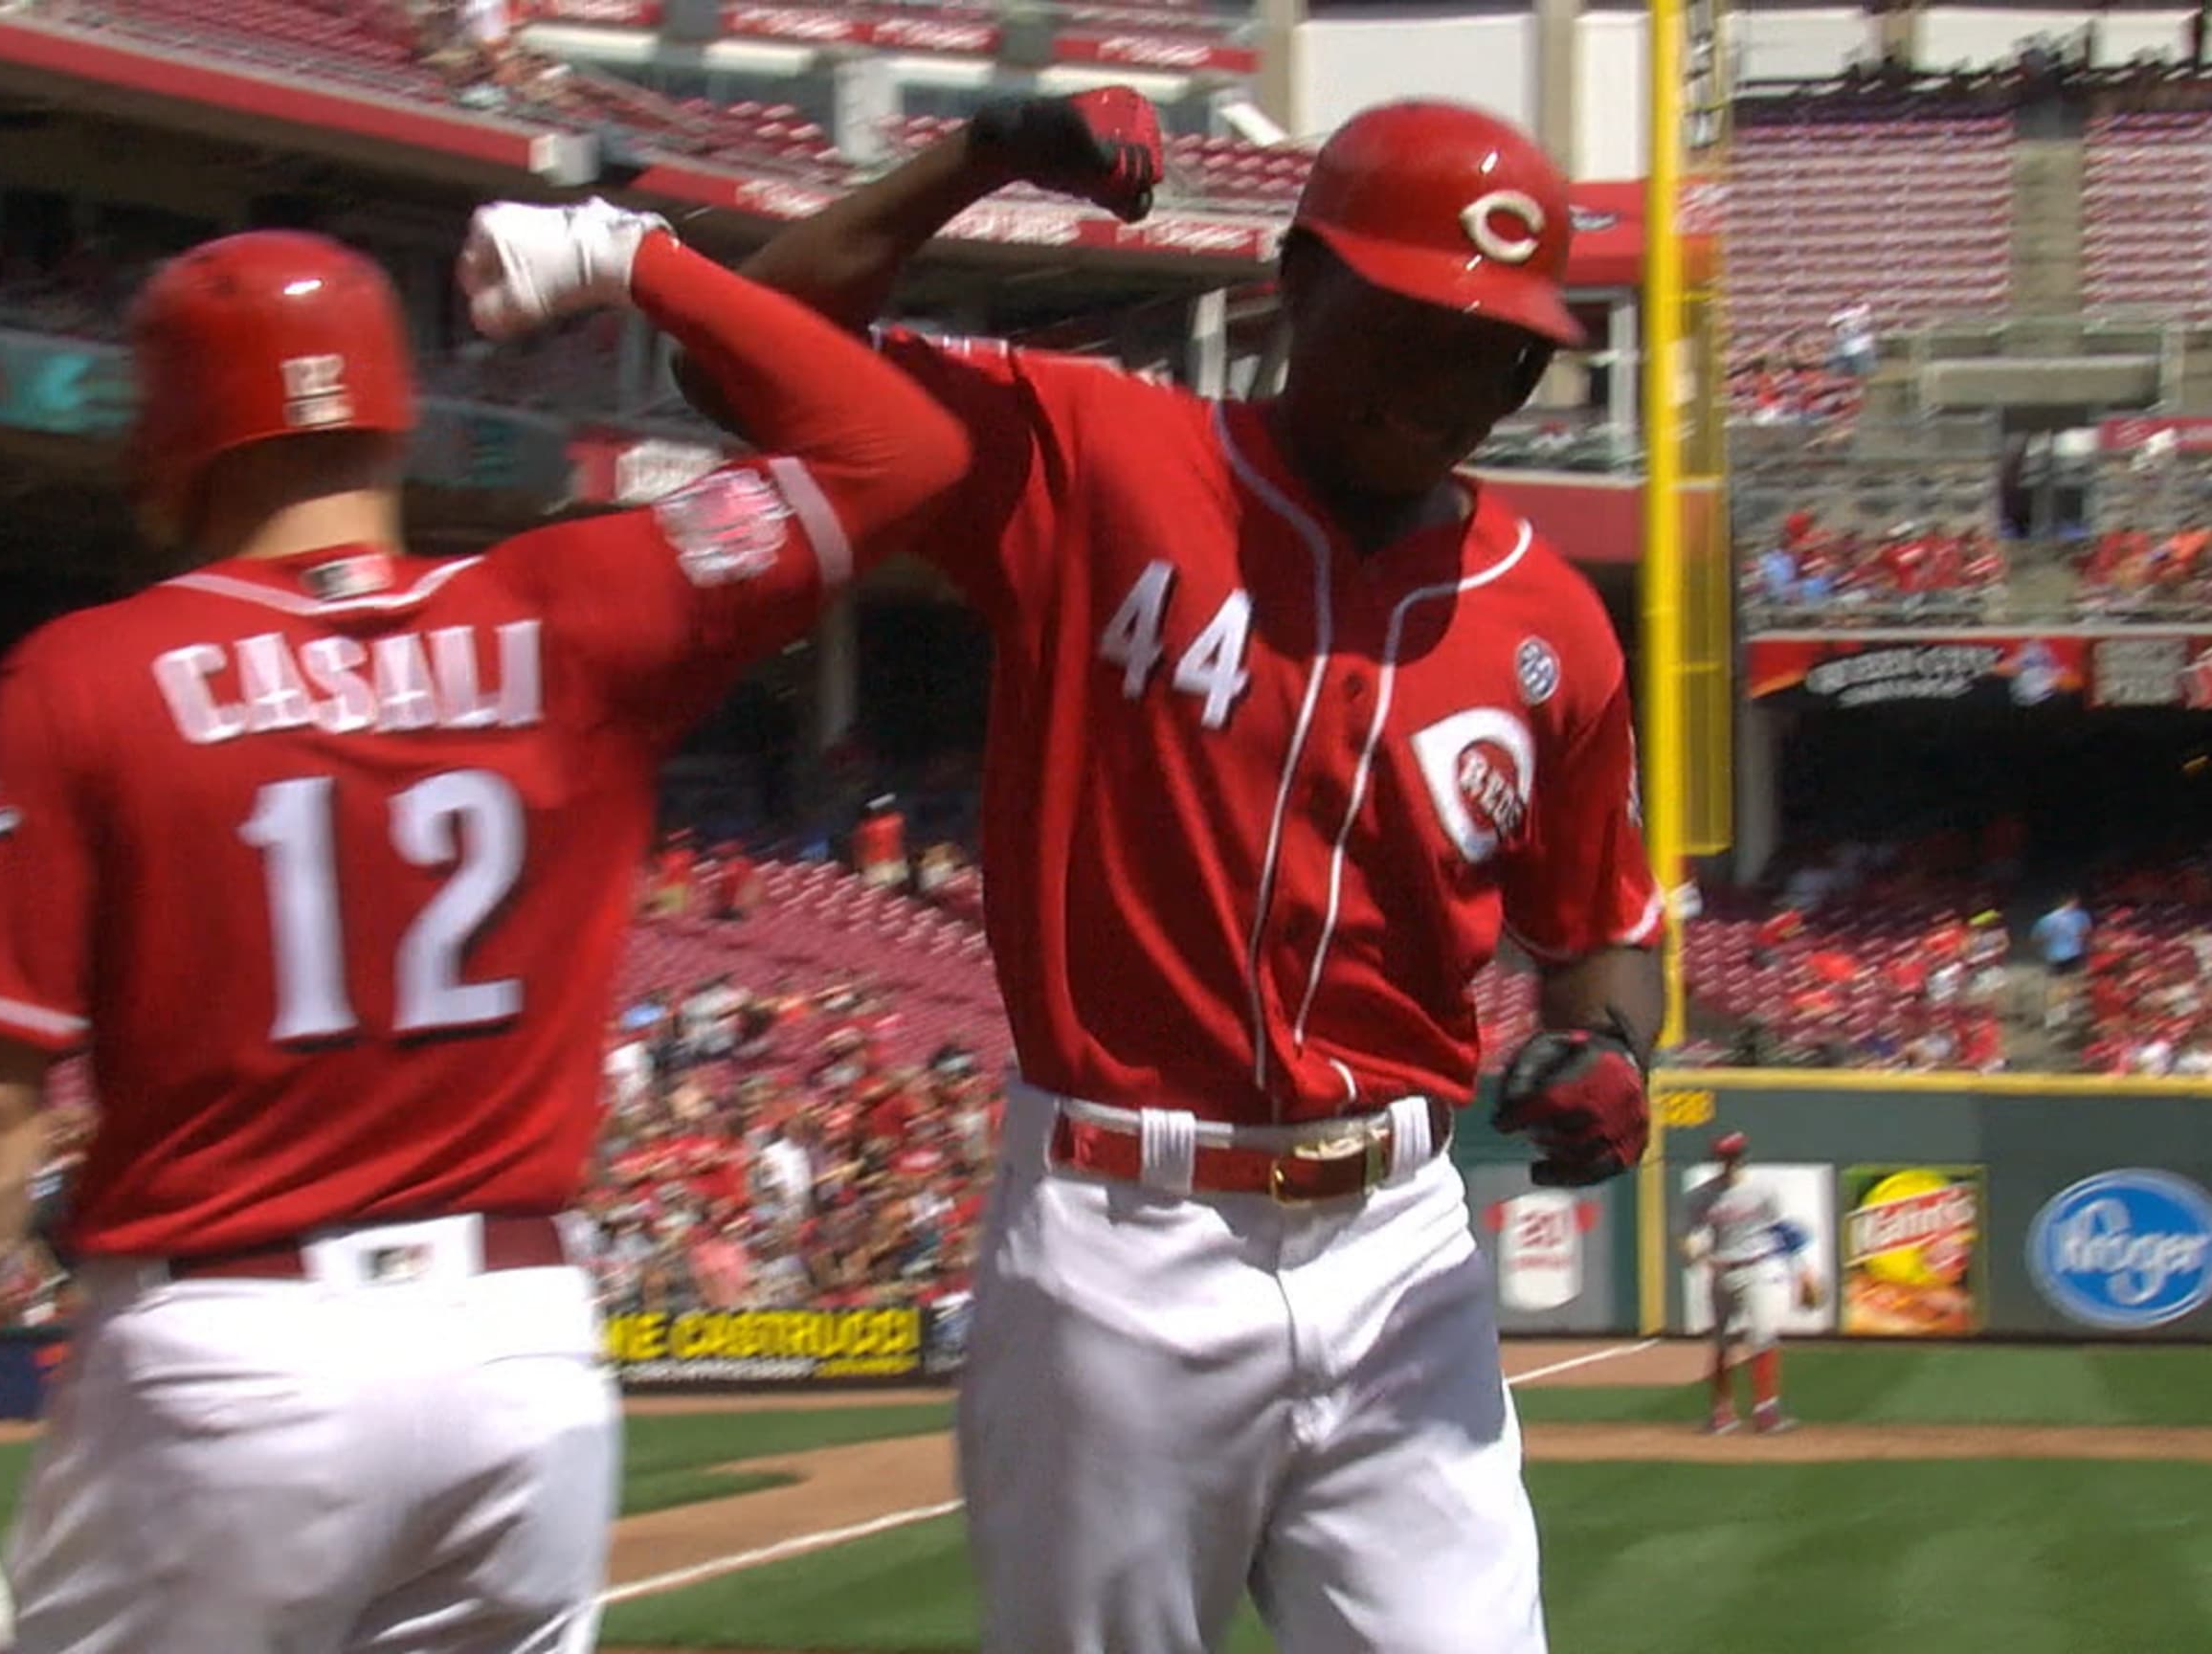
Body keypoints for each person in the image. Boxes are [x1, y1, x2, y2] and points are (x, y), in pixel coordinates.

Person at [0, 205, 965, 1652]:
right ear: (389, 409)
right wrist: (637, 263)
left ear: (167, 430)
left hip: (226, 1358)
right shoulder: (576, 605)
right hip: (517, 1356)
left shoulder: (87, 678)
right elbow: (908, 453)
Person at [679, 92, 1661, 1653]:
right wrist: (979, 154)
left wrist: (1611, 1045)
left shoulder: (1555, 629)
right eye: (1416, 321)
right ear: (1296, 280)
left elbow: (1603, 926)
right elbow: (731, 350)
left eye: (1504, 349)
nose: (1456, 378)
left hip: (1402, 1244)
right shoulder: (1092, 452)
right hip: (1122, 1231)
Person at [1677, 1130, 1813, 1433]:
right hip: (1723, 1271)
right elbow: (1684, 1235)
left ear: (1742, 1157)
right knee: (1722, 1343)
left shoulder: (1762, 1191)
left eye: (1734, 1156)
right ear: (1717, 1159)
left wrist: (1802, 1270)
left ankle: (1766, 1411)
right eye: (1724, 1157)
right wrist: (1699, 1257)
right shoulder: (1700, 1196)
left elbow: (1781, 1231)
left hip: (1759, 1268)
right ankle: (1721, 1413)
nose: (1729, 1162)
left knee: (1763, 1336)